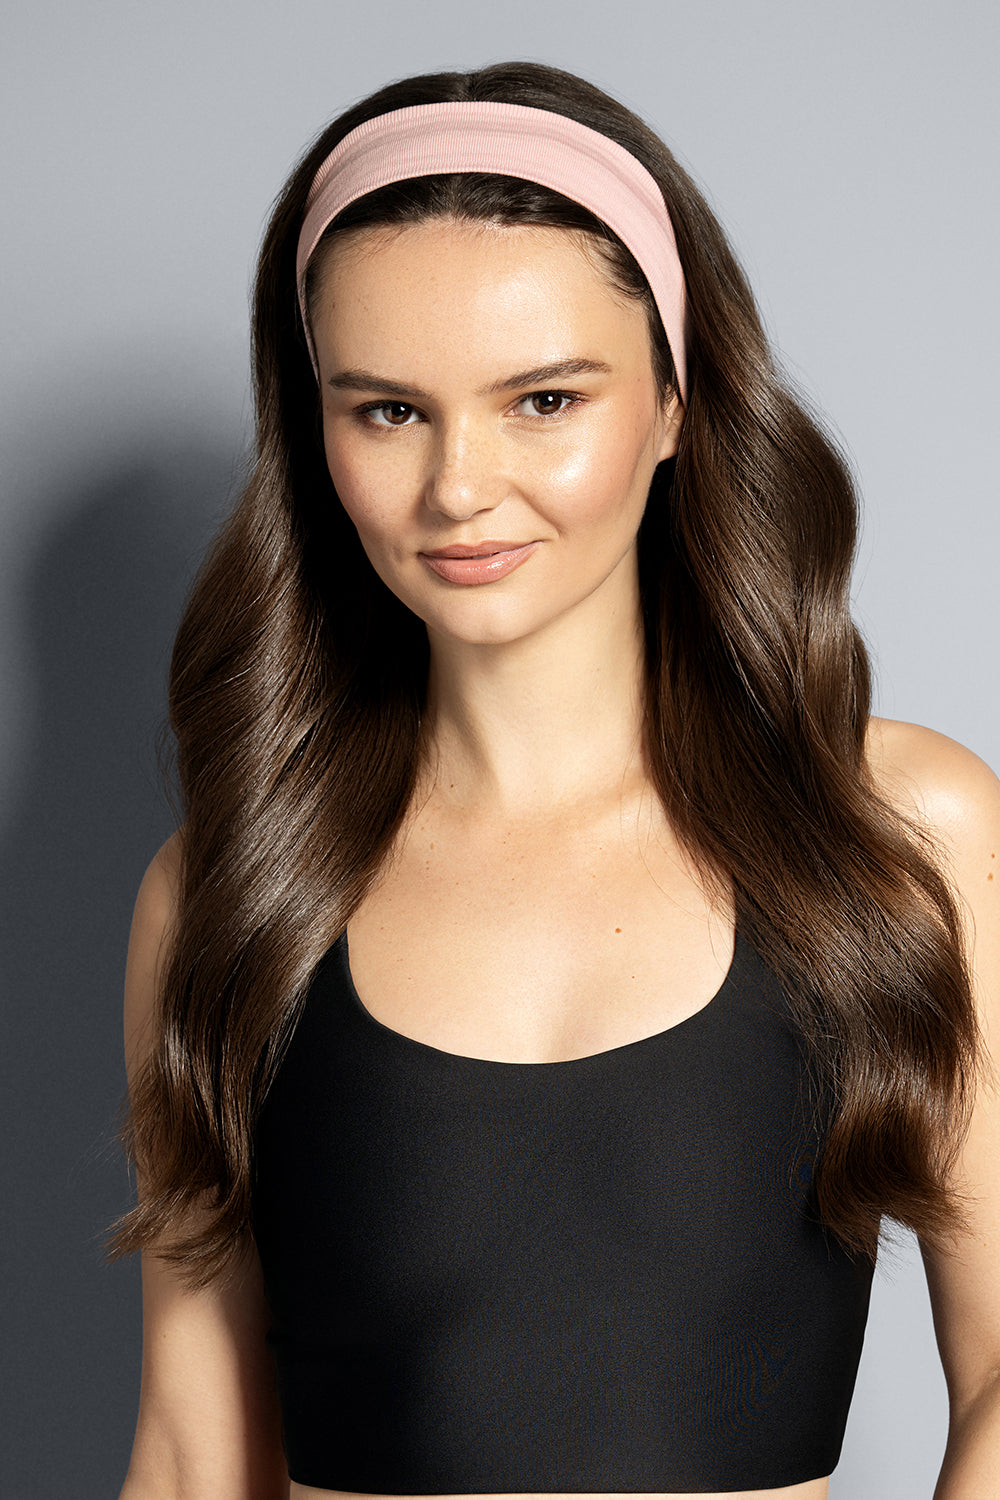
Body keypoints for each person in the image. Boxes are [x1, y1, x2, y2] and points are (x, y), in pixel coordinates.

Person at [114, 61, 1000, 1500]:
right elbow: (192, 1446)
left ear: (673, 404)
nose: (459, 484)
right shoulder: (229, 892)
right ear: (315, 430)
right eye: (388, 411)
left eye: (541, 398)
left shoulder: (899, 831)